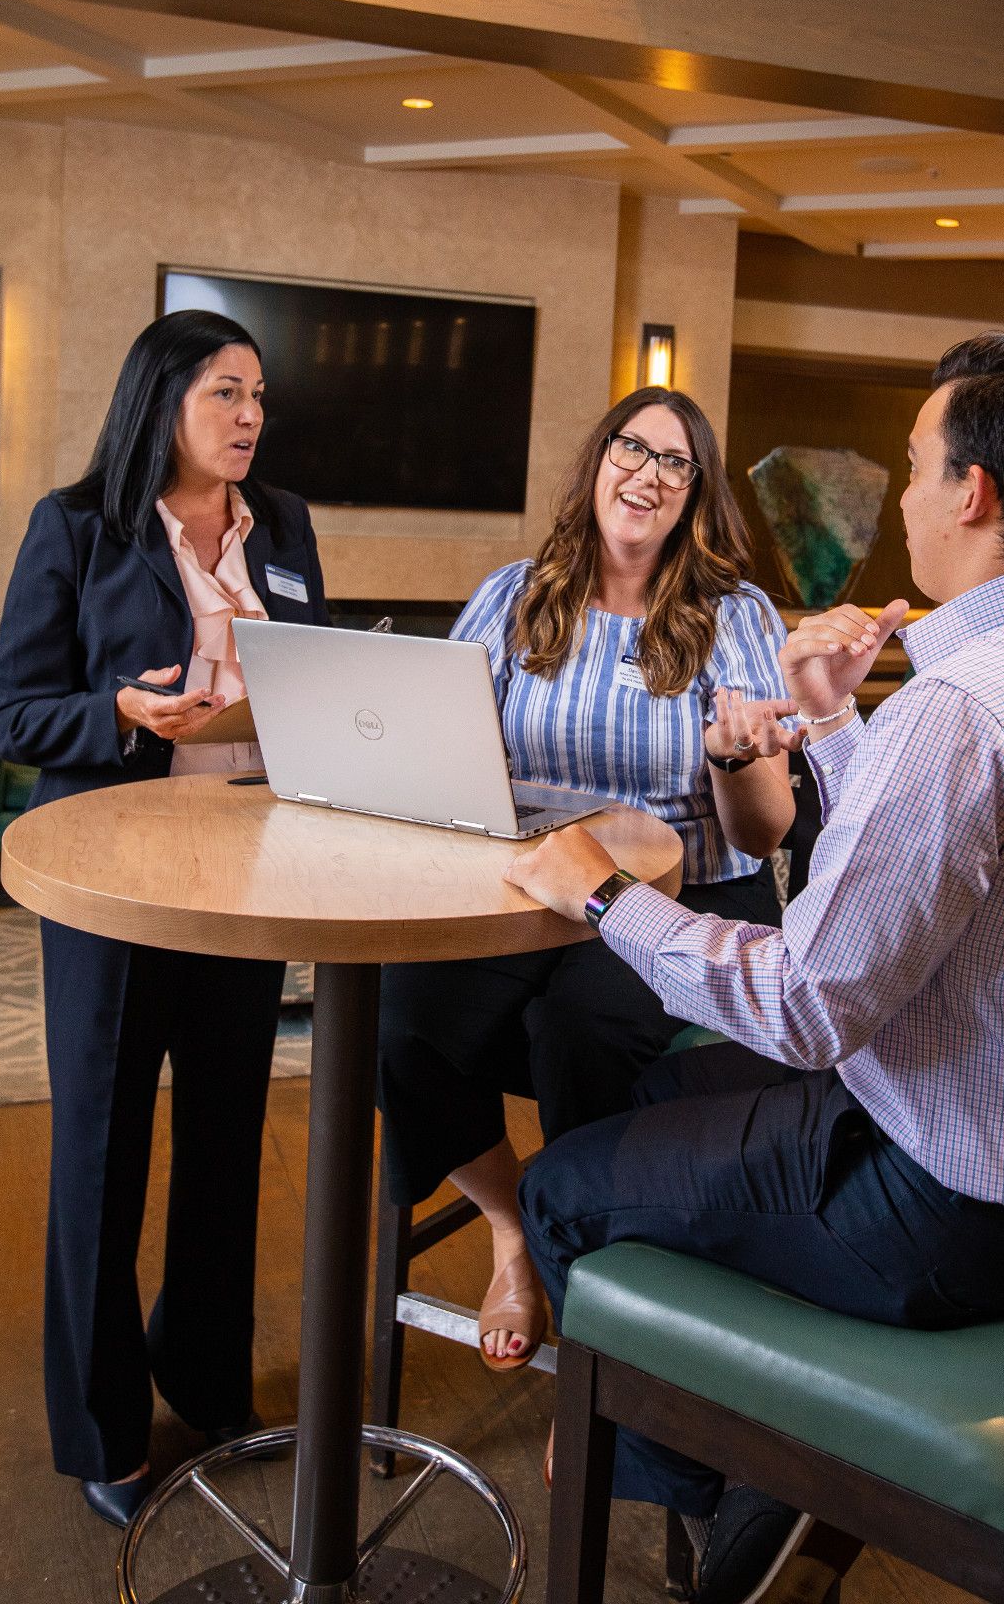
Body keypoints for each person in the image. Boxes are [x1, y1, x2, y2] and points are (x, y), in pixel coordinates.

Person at [505, 333, 1004, 1604]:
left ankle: (740, 1522)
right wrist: (833, 712)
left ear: (974, 494)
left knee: (567, 1192)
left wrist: (601, 890)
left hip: (948, 1202)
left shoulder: (966, 706)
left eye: (917, 467)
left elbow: (809, 1000)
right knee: (649, 1105)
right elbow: (912, 893)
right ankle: (752, 1472)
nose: (905, 497)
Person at [0, 309, 329, 1528]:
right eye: (226, 392)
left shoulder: (281, 525)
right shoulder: (76, 525)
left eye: (257, 397)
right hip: (115, 886)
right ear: (164, 399)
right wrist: (125, 715)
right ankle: (102, 1427)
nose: (250, 416)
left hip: (242, 877)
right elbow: (14, 714)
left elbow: (307, 687)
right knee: (101, 1151)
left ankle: (208, 1383)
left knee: (230, 1136)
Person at [377, 387, 798, 1370]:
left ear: (696, 495)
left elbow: (766, 827)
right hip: (526, 890)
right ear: (598, 460)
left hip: (679, 893)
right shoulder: (517, 594)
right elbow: (442, 754)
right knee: (398, 1019)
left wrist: (738, 759)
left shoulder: (731, 616)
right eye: (631, 448)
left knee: (575, 1028)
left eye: (674, 462)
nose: (647, 473)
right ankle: (520, 1222)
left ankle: (605, 1332)